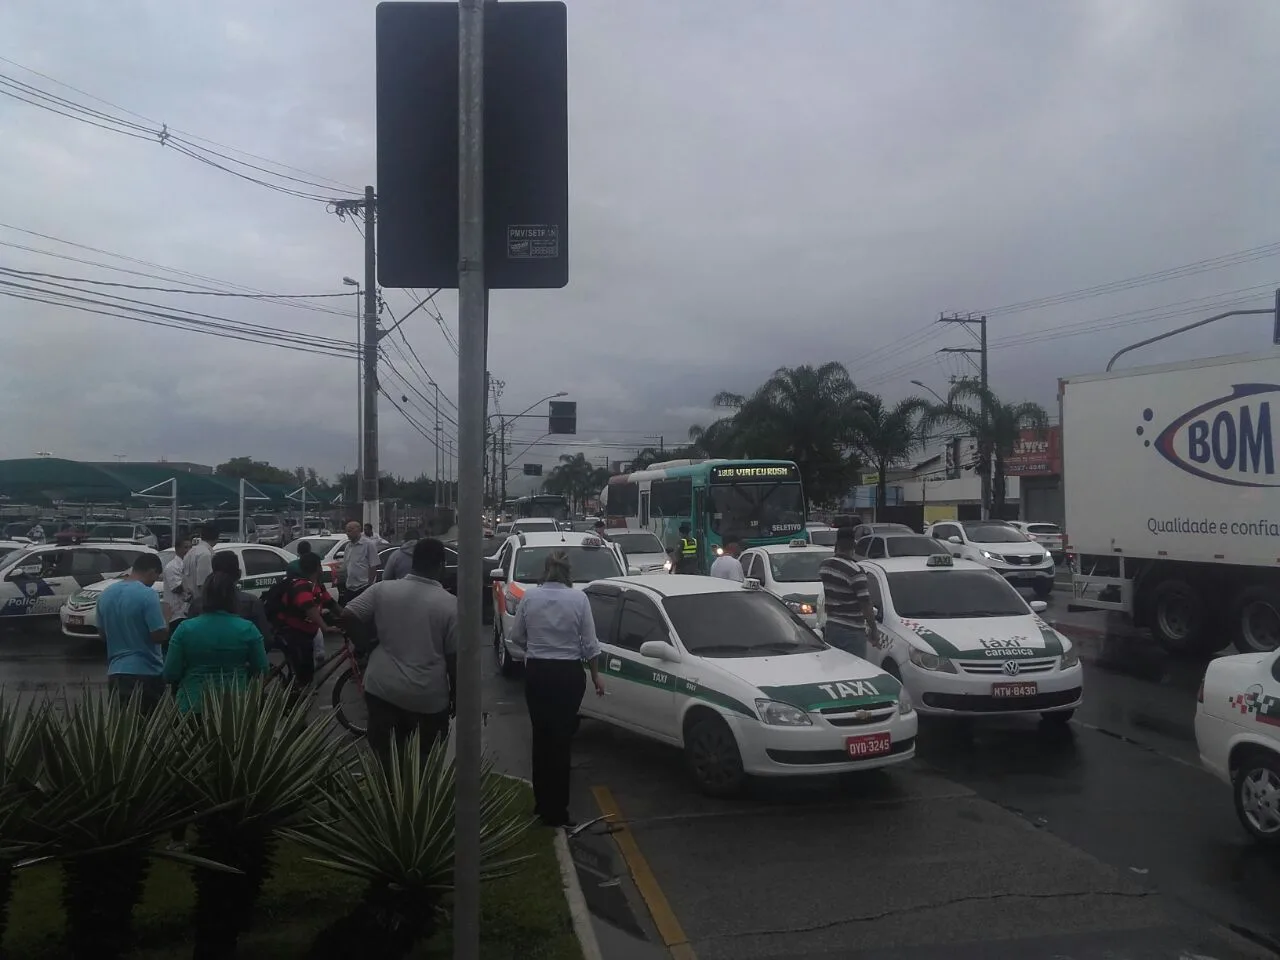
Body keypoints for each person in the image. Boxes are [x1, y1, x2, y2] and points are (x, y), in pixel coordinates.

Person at [509, 551, 605, 828]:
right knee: (562, 741)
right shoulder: (579, 599)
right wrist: (597, 677)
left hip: (538, 672)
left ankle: (541, 805)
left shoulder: (529, 597)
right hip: (568, 674)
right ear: (568, 573)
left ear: (545, 570)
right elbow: (590, 643)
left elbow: (517, 637)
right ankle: (558, 811)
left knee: (541, 738)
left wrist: (536, 651)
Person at [343, 538, 458, 765]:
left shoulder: (382, 589)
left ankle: (389, 799)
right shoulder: (450, 604)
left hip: (381, 690)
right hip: (426, 698)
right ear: (441, 566)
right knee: (423, 766)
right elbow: (455, 659)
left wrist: (365, 645)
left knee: (386, 764)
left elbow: (348, 615)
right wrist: (456, 694)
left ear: (412, 562)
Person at [164, 571, 269, 714]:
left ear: (204, 597)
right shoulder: (247, 629)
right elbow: (262, 669)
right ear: (233, 597)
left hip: (192, 705)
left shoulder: (185, 629)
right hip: (237, 706)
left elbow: (170, 673)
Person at [99, 553, 169, 713]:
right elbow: (158, 635)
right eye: (156, 577)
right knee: (149, 729)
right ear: (152, 571)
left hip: (116, 672)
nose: (153, 582)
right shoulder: (147, 594)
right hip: (146, 673)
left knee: (124, 729)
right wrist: (166, 617)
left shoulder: (105, 594)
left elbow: (103, 635)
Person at [277, 552, 342, 690]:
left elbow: (331, 603)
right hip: (294, 634)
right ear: (319, 568)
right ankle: (293, 702)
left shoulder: (317, 586)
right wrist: (325, 627)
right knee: (304, 677)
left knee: (307, 672)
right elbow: (309, 608)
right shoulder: (301, 585)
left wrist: (350, 617)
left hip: (306, 634)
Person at [818, 526, 881, 658]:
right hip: (852, 631)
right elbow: (865, 604)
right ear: (854, 546)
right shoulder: (856, 572)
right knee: (855, 669)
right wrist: (874, 630)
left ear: (836, 545)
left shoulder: (824, 566)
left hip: (832, 627)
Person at [186, 551, 273, 641]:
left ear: (213, 573)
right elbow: (265, 640)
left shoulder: (197, 605)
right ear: (239, 574)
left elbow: (187, 639)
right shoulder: (252, 603)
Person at [339, 520, 380, 604]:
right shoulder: (348, 546)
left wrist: (369, 586)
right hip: (349, 587)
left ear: (358, 530)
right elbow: (346, 566)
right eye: (346, 531)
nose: (347, 533)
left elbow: (373, 567)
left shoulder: (368, 544)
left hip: (363, 587)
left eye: (350, 530)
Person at [163, 536, 192, 634]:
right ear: (177, 549)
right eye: (185, 547)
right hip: (176, 614)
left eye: (190, 547)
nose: (188, 550)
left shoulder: (187, 564)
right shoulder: (172, 566)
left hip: (186, 612)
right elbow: (176, 588)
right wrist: (191, 584)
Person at [183, 523, 219, 603]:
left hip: (190, 602)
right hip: (200, 604)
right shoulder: (205, 554)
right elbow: (203, 584)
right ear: (217, 538)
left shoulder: (191, 552)